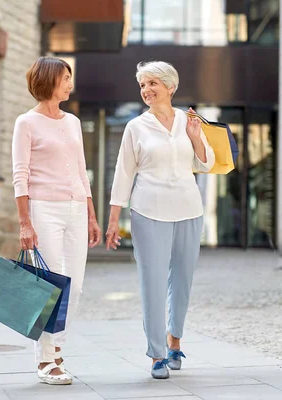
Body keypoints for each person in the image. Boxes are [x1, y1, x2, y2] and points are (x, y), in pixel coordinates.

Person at [105, 61, 215, 379]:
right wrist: (114, 220)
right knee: (152, 283)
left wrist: (195, 137)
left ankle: (174, 341)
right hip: (148, 212)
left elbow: (206, 165)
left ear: (170, 86)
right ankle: (156, 355)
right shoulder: (136, 127)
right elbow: (123, 174)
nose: (147, 90)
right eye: (142, 85)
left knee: (182, 280)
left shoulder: (189, 121)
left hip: (189, 210)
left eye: (153, 83)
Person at [12, 56, 102, 385]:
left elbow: (81, 170)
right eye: (65, 77)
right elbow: (20, 176)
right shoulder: (26, 123)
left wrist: (92, 215)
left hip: (76, 208)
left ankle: (57, 350)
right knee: (49, 286)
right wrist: (25, 222)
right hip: (44, 209)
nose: (70, 83)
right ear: (49, 81)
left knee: (74, 286)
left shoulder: (73, 122)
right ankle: (45, 361)